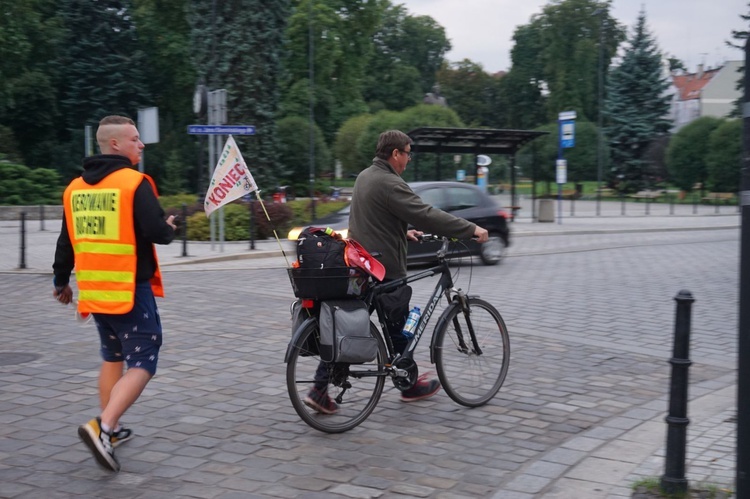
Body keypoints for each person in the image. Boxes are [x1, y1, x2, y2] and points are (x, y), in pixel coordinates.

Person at [303, 130, 488, 414]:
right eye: (407, 153)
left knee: (354, 329)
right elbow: (426, 213)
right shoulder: (390, 182)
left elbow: (375, 216)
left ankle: (321, 387)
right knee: (396, 330)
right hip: (384, 270)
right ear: (395, 154)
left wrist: (405, 230)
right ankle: (408, 384)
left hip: (362, 264)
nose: (409, 159)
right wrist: (470, 229)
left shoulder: (365, 176)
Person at [52, 115, 176, 472]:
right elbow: (157, 232)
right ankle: (103, 427)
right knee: (143, 359)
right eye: (135, 139)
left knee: (113, 356)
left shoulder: (75, 188)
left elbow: (66, 242)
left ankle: (114, 427)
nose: (141, 144)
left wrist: (61, 283)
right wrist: (169, 227)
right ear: (116, 145)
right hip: (129, 290)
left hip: (95, 292)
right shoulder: (133, 184)